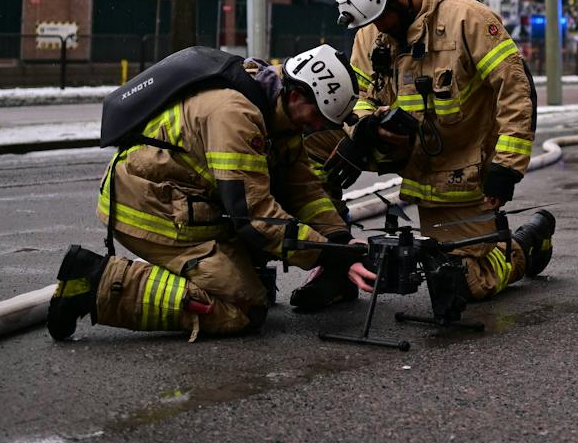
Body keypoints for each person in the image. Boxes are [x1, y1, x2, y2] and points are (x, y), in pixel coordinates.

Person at [45, 45, 377, 341]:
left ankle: (222, 269)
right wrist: (325, 254)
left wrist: (339, 239)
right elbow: (253, 216)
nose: (318, 128)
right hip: (150, 207)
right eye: (318, 118)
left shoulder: (280, 112)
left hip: (182, 203)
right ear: (296, 96)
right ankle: (93, 283)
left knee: (254, 272)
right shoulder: (237, 116)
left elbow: (302, 189)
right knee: (245, 307)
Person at [319, 0, 553, 315]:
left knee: (462, 282)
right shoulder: (371, 33)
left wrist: (505, 168)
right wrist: (360, 132)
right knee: (313, 138)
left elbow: (516, 91)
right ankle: (331, 263)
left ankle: (526, 245)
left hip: (461, 171)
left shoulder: (466, 19)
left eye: (382, 18)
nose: (378, 29)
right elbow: (357, 95)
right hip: (406, 156)